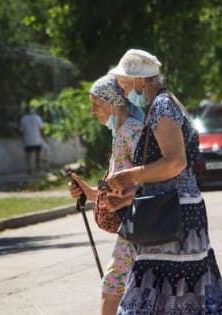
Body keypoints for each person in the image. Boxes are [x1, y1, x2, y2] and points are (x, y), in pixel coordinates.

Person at [107, 48, 222, 314]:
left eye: (127, 83)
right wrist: (130, 195)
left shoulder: (162, 106)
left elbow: (175, 163)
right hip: (175, 211)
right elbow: (169, 175)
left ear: (141, 81)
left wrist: (130, 175)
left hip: (174, 217)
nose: (125, 89)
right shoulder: (167, 103)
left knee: (148, 295)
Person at [68, 74, 144, 315]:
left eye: (96, 104)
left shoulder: (131, 131)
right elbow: (118, 185)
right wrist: (90, 193)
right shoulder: (120, 132)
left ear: (112, 102)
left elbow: (153, 178)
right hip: (134, 226)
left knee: (112, 289)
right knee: (126, 290)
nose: (92, 111)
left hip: (141, 226)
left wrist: (124, 199)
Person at [19, 106, 44, 175]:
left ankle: (28, 168)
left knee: (28, 156)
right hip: (37, 140)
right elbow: (42, 128)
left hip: (28, 140)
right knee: (37, 156)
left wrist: (22, 140)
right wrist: (43, 137)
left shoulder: (23, 119)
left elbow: (21, 131)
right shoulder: (38, 117)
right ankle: (37, 169)